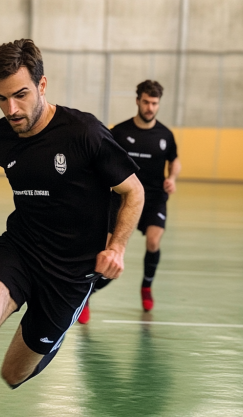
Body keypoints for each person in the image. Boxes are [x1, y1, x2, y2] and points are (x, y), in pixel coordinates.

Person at [0, 39, 144, 417]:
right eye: (0, 98)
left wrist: (118, 247)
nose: (11, 109)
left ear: (42, 86)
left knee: (13, 374)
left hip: (71, 272)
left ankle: (52, 336)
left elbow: (133, 192)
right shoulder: (2, 133)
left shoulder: (84, 133)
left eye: (20, 95)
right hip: (21, 248)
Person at [77, 80, 181, 324]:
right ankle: (87, 295)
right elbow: (102, 160)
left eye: (154, 103)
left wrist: (173, 178)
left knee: (154, 241)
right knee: (107, 250)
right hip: (122, 197)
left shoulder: (166, 135)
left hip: (154, 197)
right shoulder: (120, 132)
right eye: (146, 102)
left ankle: (146, 286)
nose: (150, 107)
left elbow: (174, 160)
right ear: (138, 101)